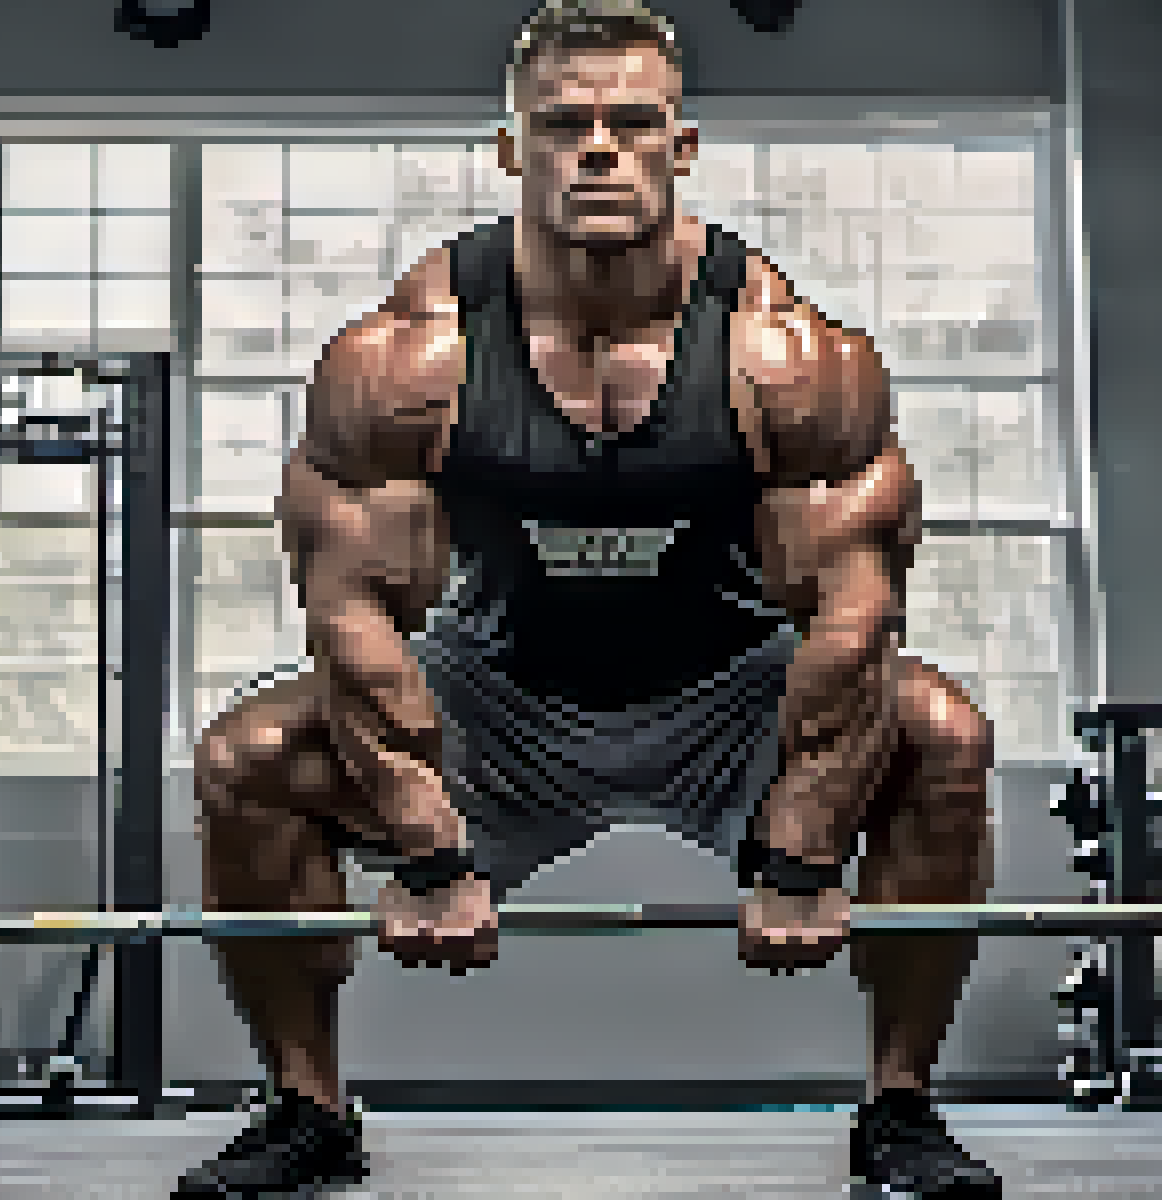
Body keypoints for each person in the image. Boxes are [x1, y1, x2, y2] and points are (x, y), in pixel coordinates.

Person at [179, 2, 1001, 1196]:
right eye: (566, 123)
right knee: (247, 758)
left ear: (684, 145)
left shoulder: (785, 358)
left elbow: (854, 615)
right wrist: (424, 842)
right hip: (498, 694)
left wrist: (807, 841)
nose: (600, 148)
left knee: (944, 738)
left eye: (634, 121)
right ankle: (307, 1109)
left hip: (734, 696)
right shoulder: (409, 360)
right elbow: (350, 613)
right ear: (514, 149)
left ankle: (901, 1108)